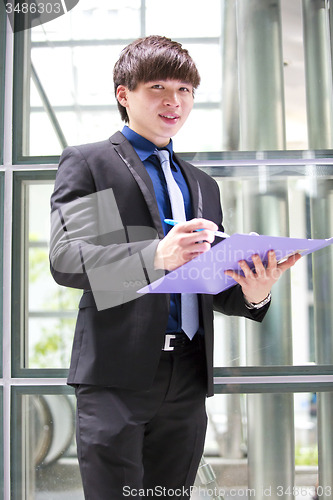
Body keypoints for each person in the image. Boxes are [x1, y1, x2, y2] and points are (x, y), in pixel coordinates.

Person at [49, 35, 300, 499]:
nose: (174, 101)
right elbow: (69, 260)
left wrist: (253, 290)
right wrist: (154, 257)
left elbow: (206, 285)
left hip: (186, 375)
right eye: (158, 87)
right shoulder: (96, 164)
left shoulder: (202, 184)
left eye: (185, 89)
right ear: (124, 95)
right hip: (116, 376)